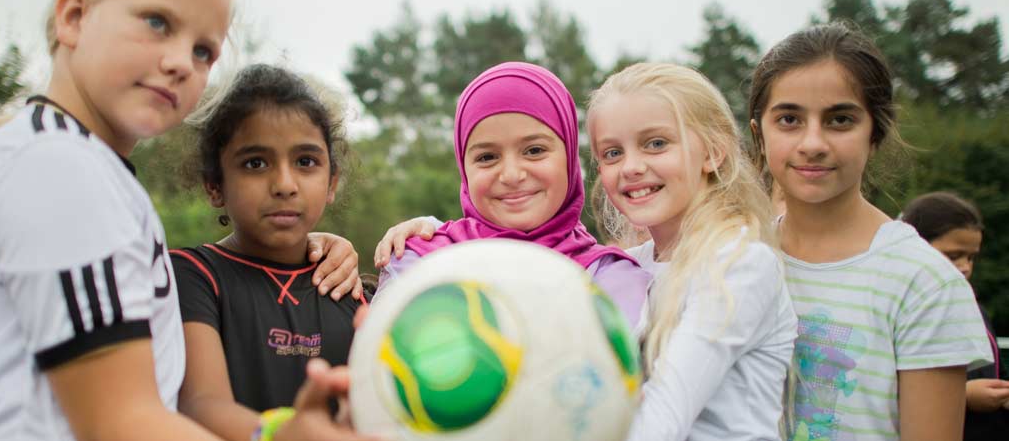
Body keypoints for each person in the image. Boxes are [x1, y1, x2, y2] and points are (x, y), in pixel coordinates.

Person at [0, 0, 366, 440]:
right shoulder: (58, 166)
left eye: (203, 51)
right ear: (73, 17)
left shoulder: (70, 164)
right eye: (157, 23)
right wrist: (274, 436)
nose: (180, 64)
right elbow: (119, 423)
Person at [747, 22, 992, 440]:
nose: (813, 142)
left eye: (839, 120)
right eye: (789, 118)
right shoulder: (735, 259)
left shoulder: (925, 283)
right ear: (759, 133)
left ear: (875, 134)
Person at [588, 62, 797, 440]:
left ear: (713, 152)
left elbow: (662, 420)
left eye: (656, 143)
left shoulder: (739, 264)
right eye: (613, 153)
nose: (632, 167)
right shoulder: (628, 268)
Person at [170, 64, 368, 440]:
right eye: (255, 163)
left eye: (306, 162)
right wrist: (283, 433)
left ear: (331, 182)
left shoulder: (352, 290)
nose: (284, 184)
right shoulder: (192, 276)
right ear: (215, 185)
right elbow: (200, 405)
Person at [372, 61, 650, 327]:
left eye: (534, 150)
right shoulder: (416, 264)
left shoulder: (610, 278)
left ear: (569, 155)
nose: (512, 175)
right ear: (463, 168)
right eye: (487, 157)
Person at [901, 191, 1009, 440]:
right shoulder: (904, 312)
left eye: (971, 257)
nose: (965, 266)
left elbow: (996, 370)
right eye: (952, 256)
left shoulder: (973, 308)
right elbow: (888, 391)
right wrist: (965, 395)